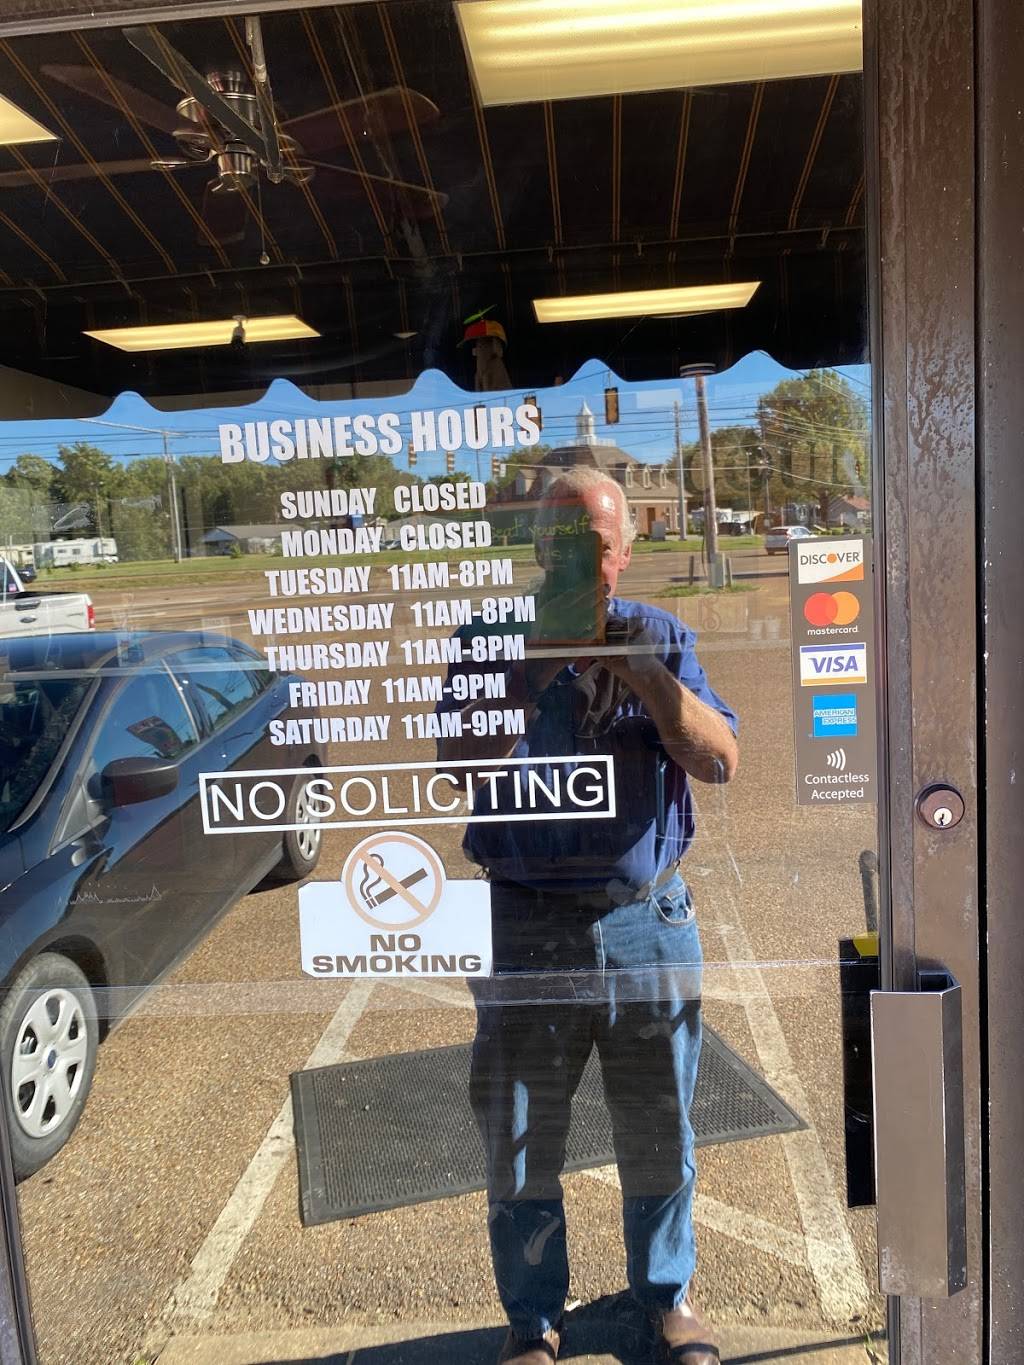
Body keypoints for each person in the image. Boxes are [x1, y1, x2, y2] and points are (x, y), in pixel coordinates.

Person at [437, 467, 738, 1365]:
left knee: (659, 1124)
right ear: (539, 547)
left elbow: (721, 757)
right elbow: (456, 763)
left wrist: (647, 676)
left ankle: (666, 1298)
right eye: (565, 543)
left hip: (647, 917)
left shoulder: (660, 635)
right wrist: (534, 669)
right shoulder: (490, 639)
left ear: (626, 551)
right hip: (525, 923)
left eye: (599, 545)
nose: (584, 562)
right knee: (522, 1133)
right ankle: (532, 1321)